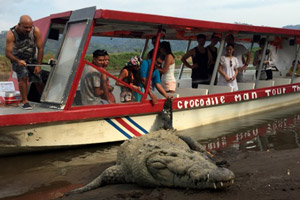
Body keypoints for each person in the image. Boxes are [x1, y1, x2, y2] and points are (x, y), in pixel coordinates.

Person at [5, 15, 44, 110]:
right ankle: (25, 102)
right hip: (17, 58)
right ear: (19, 24)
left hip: (31, 57)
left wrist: (38, 65)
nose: (28, 29)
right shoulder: (11, 34)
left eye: (30, 27)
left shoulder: (35, 31)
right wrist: (17, 61)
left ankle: (44, 98)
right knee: (23, 75)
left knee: (37, 78)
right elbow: (7, 53)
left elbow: (40, 48)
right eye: (26, 27)